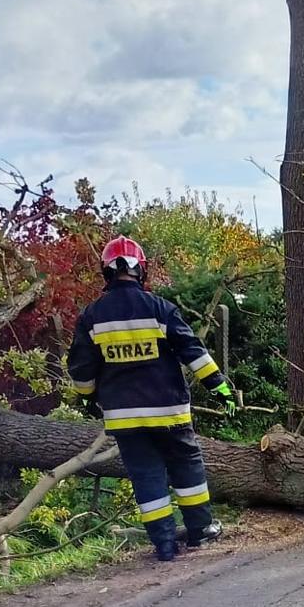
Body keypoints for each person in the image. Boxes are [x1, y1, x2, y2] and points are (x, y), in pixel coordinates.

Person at [67, 236, 237, 562]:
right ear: (141, 269)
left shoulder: (92, 316)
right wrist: (220, 387)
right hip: (169, 412)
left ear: (107, 271)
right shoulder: (160, 308)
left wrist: (87, 397)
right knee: (186, 467)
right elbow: (193, 352)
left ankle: (164, 545)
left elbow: (81, 369)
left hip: (125, 418)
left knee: (146, 476)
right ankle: (200, 533)